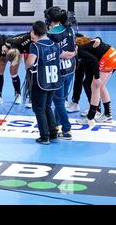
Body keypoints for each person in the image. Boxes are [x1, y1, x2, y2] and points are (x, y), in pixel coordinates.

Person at [26, 21, 63, 145]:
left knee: (39, 109)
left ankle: (44, 136)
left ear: (35, 33)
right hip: (53, 81)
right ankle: (53, 134)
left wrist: (25, 64)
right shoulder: (55, 44)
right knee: (48, 107)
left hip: (41, 82)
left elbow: (30, 62)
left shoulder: (35, 46)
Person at [45, 7, 77, 140]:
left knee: (58, 102)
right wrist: (73, 54)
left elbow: (56, 53)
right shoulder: (70, 29)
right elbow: (74, 47)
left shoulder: (52, 34)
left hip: (58, 71)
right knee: (62, 100)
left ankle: (67, 129)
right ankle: (56, 125)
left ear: (50, 20)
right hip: (70, 69)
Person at [76, 36, 116, 124]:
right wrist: (98, 39)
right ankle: (108, 115)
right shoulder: (86, 45)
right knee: (101, 86)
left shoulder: (79, 50)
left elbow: (94, 61)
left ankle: (90, 117)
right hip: (114, 54)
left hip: (108, 57)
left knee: (95, 86)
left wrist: (97, 77)